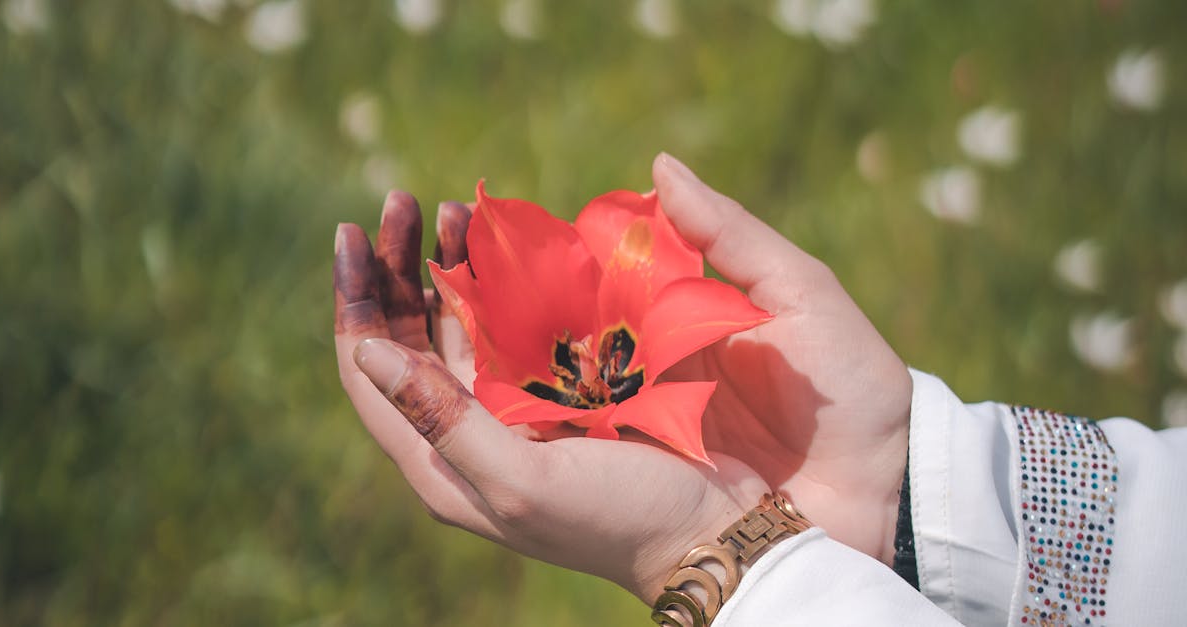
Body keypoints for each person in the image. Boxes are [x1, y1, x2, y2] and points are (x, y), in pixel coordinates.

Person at [333, 153, 1187, 625]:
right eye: (581, 362)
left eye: (600, 358)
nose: (592, 363)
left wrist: (715, 555)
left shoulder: (663, 369)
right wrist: (905, 485)